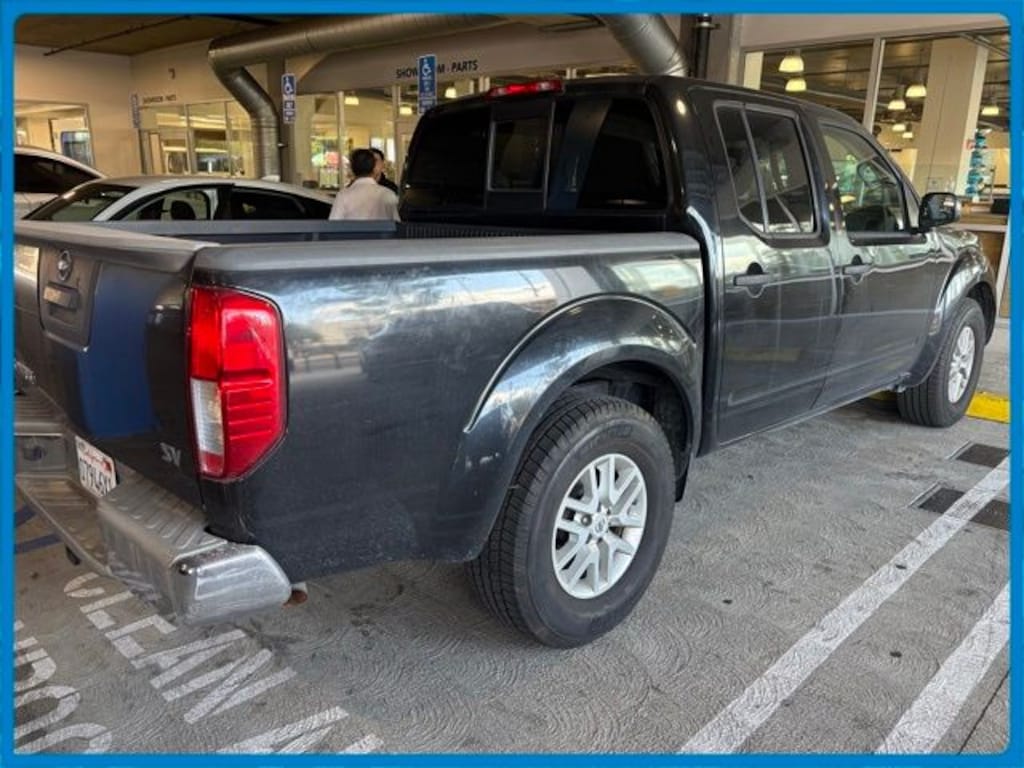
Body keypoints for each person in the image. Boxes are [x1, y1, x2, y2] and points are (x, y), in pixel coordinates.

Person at [329, 148, 400, 221]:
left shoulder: (343, 195)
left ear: (352, 169)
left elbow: (333, 226)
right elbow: (397, 226)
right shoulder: (388, 194)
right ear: (373, 167)